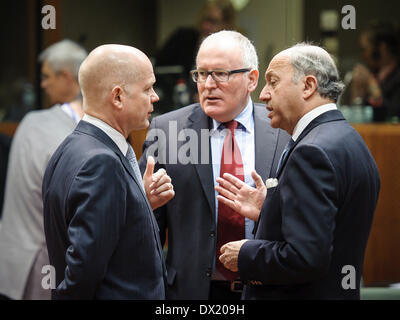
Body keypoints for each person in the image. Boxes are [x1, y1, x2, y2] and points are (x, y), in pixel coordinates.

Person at [216, 43, 381, 300]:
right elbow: (329, 229)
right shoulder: (349, 139)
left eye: (272, 82)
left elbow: (306, 258)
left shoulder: (311, 151)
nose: (263, 95)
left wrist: (247, 253)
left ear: (308, 86)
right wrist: (270, 210)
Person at [139, 30, 289, 300]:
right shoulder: (169, 131)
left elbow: (301, 225)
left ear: (251, 79)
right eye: (201, 74)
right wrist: (142, 203)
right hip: (191, 292)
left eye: (220, 74)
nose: (208, 84)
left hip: (265, 288)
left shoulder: (283, 131)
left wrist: (268, 210)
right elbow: (147, 233)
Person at [42, 44, 174, 299]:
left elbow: (107, 242)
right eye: (148, 88)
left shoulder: (70, 147)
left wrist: (139, 201)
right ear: (117, 97)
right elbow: (82, 275)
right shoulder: (102, 162)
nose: (155, 97)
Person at [0, 40, 87, 300]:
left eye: (47, 76)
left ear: (65, 76)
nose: (42, 84)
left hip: (15, 264)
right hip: (41, 269)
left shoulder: (32, 122)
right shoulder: (53, 129)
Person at [154, 0, 236, 113]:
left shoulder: (231, 50)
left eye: (213, 22)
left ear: (226, 24)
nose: (205, 26)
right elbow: (158, 68)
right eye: (204, 20)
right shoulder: (182, 38)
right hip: (173, 106)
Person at [350, 21, 400, 122]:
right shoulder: (374, 73)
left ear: (382, 47)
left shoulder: (397, 76)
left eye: (365, 49)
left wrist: (371, 85)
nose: (363, 55)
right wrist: (357, 94)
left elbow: (394, 114)